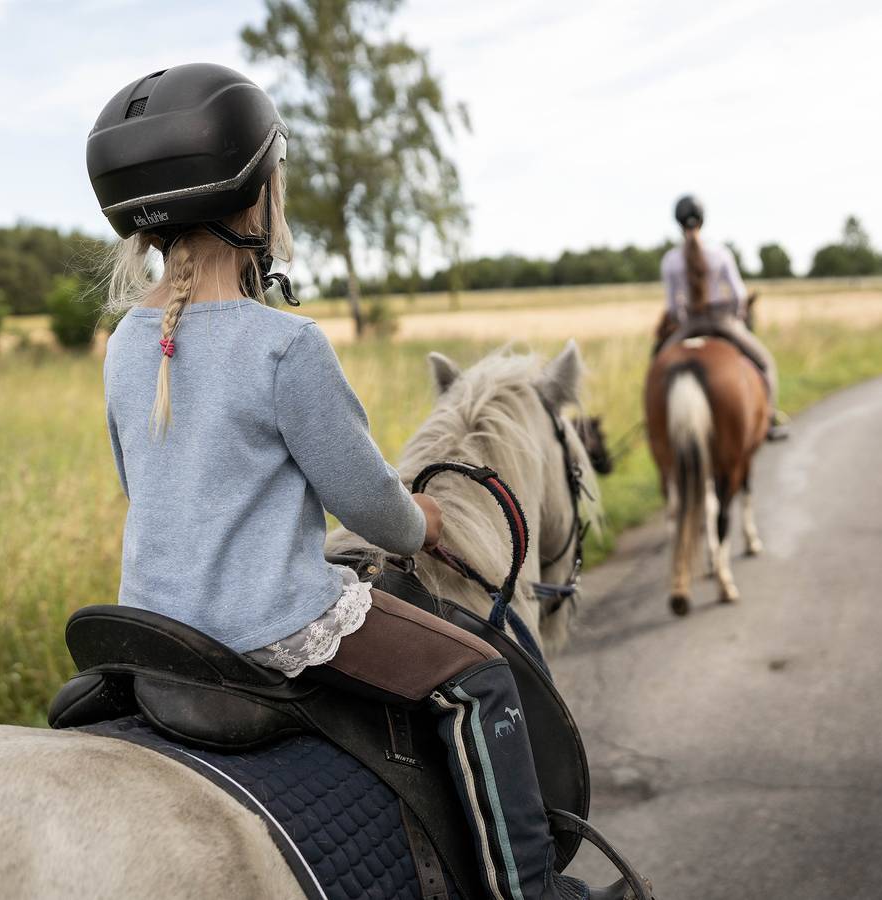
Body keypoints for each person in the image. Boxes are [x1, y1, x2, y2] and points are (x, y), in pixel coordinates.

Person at [88, 64, 642, 900]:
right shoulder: (287, 347)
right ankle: (526, 888)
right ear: (254, 201)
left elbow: (145, 483)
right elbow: (369, 509)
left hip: (156, 630)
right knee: (480, 676)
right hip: (272, 629)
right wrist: (424, 519)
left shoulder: (127, 342)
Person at [659, 195, 788, 440]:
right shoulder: (720, 253)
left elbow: (672, 308)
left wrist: (685, 319)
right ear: (703, 220)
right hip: (724, 321)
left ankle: (660, 428)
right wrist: (737, 317)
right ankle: (769, 419)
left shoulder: (670, 261)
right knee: (765, 363)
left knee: (658, 368)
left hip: (689, 326)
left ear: (677, 222)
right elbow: (739, 295)